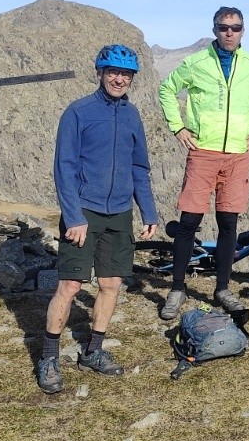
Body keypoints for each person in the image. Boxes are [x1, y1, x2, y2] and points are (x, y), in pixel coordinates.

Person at [41, 44, 160, 393]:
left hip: (120, 212)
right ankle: (49, 357)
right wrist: (73, 216)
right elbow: (64, 167)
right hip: (85, 212)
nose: (119, 79)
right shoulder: (78, 112)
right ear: (100, 73)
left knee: (111, 284)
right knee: (71, 285)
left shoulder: (132, 115)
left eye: (125, 74)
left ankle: (93, 351)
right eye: (113, 72)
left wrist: (148, 210)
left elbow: (140, 167)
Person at [156, 7, 249, 319]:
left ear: (243, 31)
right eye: (224, 27)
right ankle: (177, 287)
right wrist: (178, 127)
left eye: (235, 28)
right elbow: (167, 89)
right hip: (203, 151)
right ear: (214, 29)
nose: (229, 32)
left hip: (238, 154)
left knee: (228, 224)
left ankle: (222, 288)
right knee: (188, 223)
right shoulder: (196, 63)